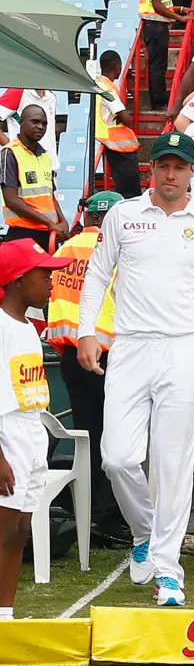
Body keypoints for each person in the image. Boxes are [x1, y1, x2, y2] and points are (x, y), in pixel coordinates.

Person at [77, 131, 194, 607]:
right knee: (118, 457)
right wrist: (89, 331)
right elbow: (97, 276)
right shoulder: (124, 215)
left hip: (183, 350)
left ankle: (168, 570)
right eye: (163, 165)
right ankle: (145, 531)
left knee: (172, 464)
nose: (170, 175)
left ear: (193, 172)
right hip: (130, 347)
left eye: (179, 167)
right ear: (152, 169)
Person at [0, 239, 75, 621]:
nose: (51, 281)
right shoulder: (2, 328)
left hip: (31, 431)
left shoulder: (29, 326)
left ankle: (6, 614)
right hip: (7, 433)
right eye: (43, 274)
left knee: (21, 530)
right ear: (16, 280)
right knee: (5, 530)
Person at [48, 191, 127, 540]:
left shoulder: (66, 249)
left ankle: (93, 514)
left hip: (70, 355)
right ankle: (112, 517)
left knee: (87, 437)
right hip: (107, 352)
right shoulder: (119, 250)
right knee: (117, 439)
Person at [0, 105, 68, 245]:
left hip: (48, 233)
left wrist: (63, 221)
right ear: (22, 123)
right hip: (23, 234)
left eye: (44, 123)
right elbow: (11, 200)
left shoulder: (45, 155)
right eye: (35, 122)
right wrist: (49, 222)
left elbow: (50, 196)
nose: (40, 127)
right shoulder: (9, 153)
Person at [138, 0, 194, 111]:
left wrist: (181, 9)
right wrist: (180, 18)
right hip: (155, 25)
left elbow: (166, 5)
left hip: (156, 25)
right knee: (158, 66)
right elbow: (157, 6)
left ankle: (159, 98)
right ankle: (158, 101)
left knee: (158, 64)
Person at [95, 51, 141, 198]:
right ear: (116, 66)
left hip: (104, 137)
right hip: (116, 144)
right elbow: (126, 118)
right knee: (130, 191)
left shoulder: (96, 84)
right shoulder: (108, 89)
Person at [0, 87, 59, 171]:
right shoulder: (17, 91)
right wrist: (13, 148)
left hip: (49, 169)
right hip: (23, 168)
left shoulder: (51, 96)